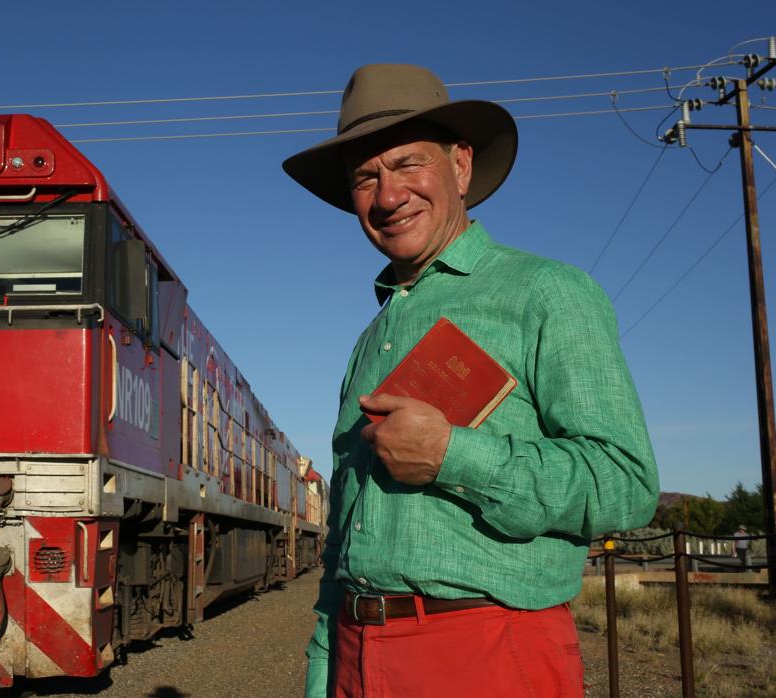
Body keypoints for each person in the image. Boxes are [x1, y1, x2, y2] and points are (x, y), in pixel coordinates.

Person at [282, 64, 661, 698]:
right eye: (366, 177)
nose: (388, 196)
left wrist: (455, 456)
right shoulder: (369, 340)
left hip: (487, 650)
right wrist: (326, 666)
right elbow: (346, 530)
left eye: (408, 165)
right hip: (354, 650)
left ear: (461, 167)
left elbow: (626, 483)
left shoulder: (546, 293)